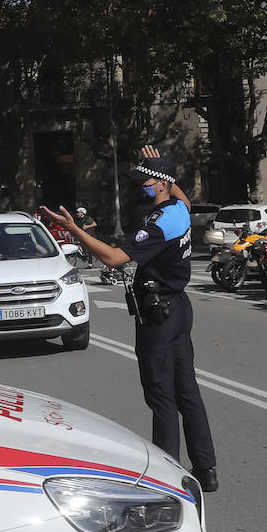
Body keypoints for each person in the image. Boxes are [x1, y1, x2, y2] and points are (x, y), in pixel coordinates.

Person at [41, 146, 218, 492]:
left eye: (147, 180)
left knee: (161, 396)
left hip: (159, 315)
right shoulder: (179, 210)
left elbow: (113, 259)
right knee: (188, 393)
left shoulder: (159, 224)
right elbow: (183, 197)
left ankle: (167, 480)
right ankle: (206, 469)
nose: (142, 186)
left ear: (162, 185)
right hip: (179, 309)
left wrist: (73, 230)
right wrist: (163, 166)